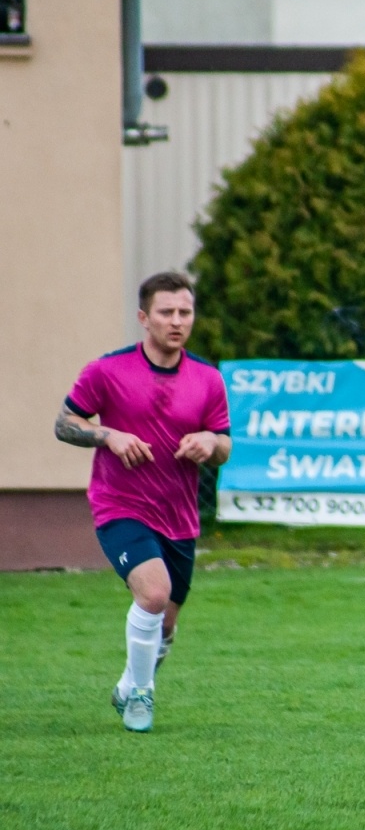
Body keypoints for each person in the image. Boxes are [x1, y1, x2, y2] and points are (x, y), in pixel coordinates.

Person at [53, 271, 232, 732]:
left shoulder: (208, 379)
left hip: (179, 517)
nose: (177, 321)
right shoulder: (108, 371)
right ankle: (142, 694)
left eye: (185, 312)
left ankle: (128, 681)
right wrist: (108, 435)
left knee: (166, 625)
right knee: (153, 596)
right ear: (143, 317)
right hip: (121, 506)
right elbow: (65, 422)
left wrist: (209, 443)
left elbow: (226, 445)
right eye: (166, 312)